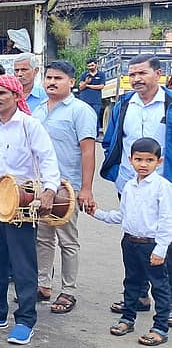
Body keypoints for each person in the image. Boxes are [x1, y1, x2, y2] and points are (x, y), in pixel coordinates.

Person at [0, 75, 60, 344]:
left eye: (2, 93)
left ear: (17, 96)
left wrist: (50, 190)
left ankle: (26, 320)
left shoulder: (30, 126)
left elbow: (48, 159)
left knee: (22, 262)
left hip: (20, 199)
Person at [101, 55, 172, 314]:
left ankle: (168, 303)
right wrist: (119, 169)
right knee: (135, 239)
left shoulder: (169, 103)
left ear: (158, 73)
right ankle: (138, 297)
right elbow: (110, 141)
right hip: (129, 183)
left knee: (166, 241)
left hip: (165, 184)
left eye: (142, 73)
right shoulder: (123, 105)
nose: (136, 79)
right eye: (132, 74)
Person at [89, 137, 172, 346]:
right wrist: (97, 213)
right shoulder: (128, 186)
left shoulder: (163, 187)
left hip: (153, 244)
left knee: (160, 287)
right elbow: (122, 216)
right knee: (132, 282)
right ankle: (127, 318)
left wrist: (161, 249)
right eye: (139, 160)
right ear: (130, 160)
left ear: (159, 161)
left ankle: (160, 327)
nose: (143, 165)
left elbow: (167, 220)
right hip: (130, 242)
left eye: (149, 160)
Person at [32, 60, 97, 315]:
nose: (51, 82)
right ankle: (43, 285)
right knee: (42, 238)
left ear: (71, 82)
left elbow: (88, 151)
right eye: (48, 78)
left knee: (67, 240)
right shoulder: (38, 110)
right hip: (40, 185)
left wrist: (87, 189)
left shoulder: (80, 111)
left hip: (67, 187)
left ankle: (68, 290)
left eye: (58, 78)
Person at [78, 58, 105, 135]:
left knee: (95, 117)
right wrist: (86, 82)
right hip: (85, 100)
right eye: (89, 66)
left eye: (92, 65)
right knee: (84, 118)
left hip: (96, 101)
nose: (91, 67)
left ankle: (95, 134)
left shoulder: (101, 75)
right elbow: (80, 87)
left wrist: (88, 85)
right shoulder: (84, 75)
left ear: (96, 65)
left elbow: (101, 86)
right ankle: (84, 134)